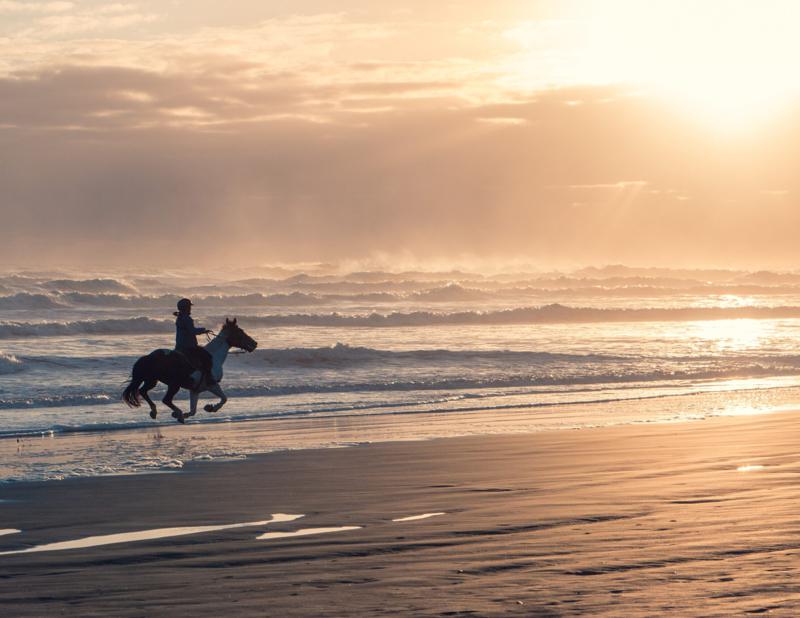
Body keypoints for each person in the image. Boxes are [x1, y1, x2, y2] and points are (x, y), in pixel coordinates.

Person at [173, 298, 215, 386]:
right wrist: (203, 330)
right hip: (189, 346)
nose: (190, 308)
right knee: (207, 357)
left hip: (179, 345)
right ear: (186, 308)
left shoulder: (180, 317)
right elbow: (192, 331)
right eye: (189, 307)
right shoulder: (187, 318)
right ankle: (209, 379)